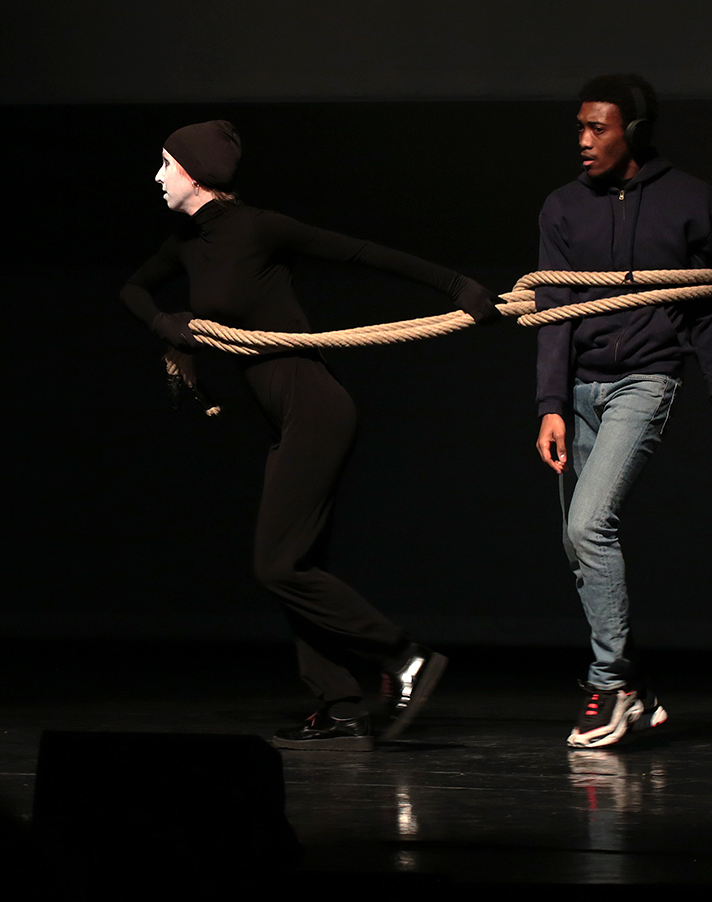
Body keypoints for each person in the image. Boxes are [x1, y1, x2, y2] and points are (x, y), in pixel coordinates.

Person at [120, 120, 500, 751]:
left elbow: (362, 251)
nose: (157, 177)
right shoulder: (185, 243)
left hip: (316, 407)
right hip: (285, 418)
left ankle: (405, 658)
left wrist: (459, 287)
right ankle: (340, 702)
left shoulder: (260, 227)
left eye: (164, 164)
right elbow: (131, 288)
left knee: (275, 565)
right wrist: (168, 323)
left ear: (193, 172)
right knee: (299, 563)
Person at [534, 75, 712, 748]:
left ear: (635, 130)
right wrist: (550, 404)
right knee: (578, 539)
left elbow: (703, 306)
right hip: (581, 388)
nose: (584, 141)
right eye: (579, 127)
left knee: (590, 524)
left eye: (598, 128)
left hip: (646, 379)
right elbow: (554, 313)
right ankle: (633, 688)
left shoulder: (690, 201)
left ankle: (606, 686)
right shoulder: (563, 206)